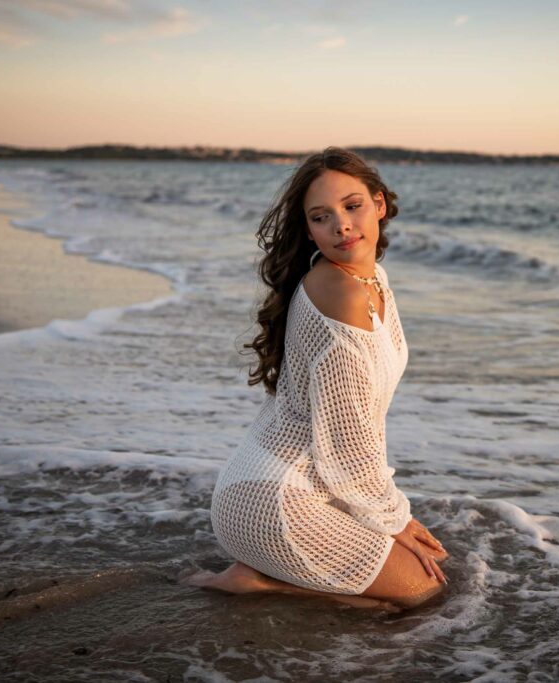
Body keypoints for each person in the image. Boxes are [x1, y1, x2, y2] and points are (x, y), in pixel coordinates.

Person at [184, 147, 450, 612]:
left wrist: (388, 516)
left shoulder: (372, 279)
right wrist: (396, 520)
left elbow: (352, 434)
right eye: (322, 217)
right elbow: (348, 445)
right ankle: (256, 582)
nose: (342, 226)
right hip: (276, 501)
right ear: (309, 229)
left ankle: (266, 570)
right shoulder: (341, 293)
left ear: (380, 205)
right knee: (421, 592)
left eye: (352, 206)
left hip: (280, 488)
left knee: (426, 570)